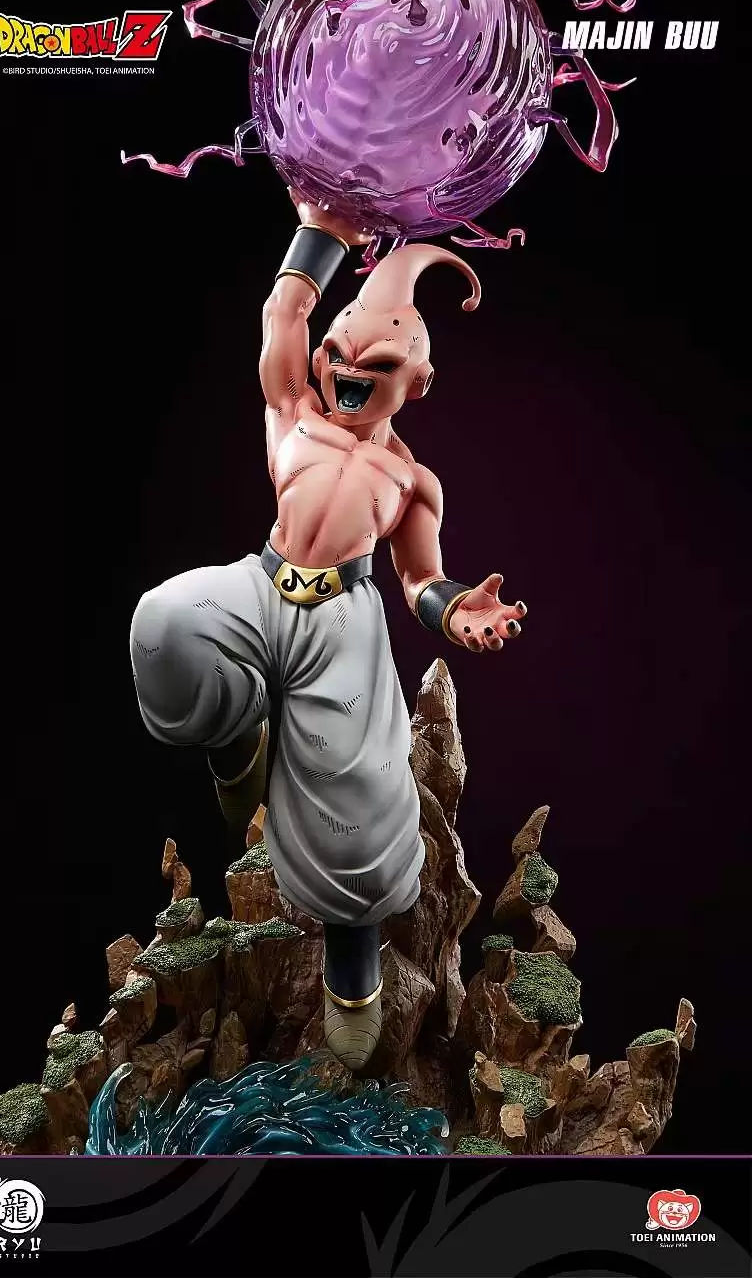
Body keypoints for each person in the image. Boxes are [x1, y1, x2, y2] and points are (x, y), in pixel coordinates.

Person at [130, 189, 527, 1069]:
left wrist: (459, 609)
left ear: (416, 383)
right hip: (261, 580)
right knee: (164, 623)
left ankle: (353, 954)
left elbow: (419, 577)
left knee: (362, 798)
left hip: (344, 619)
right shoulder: (292, 411)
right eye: (339, 353)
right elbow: (284, 311)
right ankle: (236, 738)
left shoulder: (412, 483)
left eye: (375, 364)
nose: (347, 369)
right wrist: (323, 232)